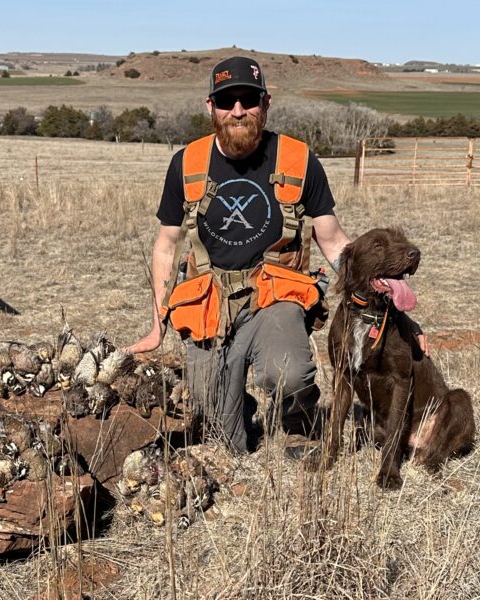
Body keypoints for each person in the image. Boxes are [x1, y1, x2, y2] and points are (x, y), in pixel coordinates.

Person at [127, 56, 363, 455]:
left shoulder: (298, 159)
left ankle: (297, 422)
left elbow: (333, 238)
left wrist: (371, 292)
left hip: (275, 295)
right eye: (226, 101)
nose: (237, 110)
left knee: (284, 372)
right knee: (224, 440)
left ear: (266, 103)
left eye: (248, 99)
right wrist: (157, 325)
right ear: (210, 107)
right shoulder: (186, 164)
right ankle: (238, 403)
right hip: (209, 303)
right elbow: (166, 246)